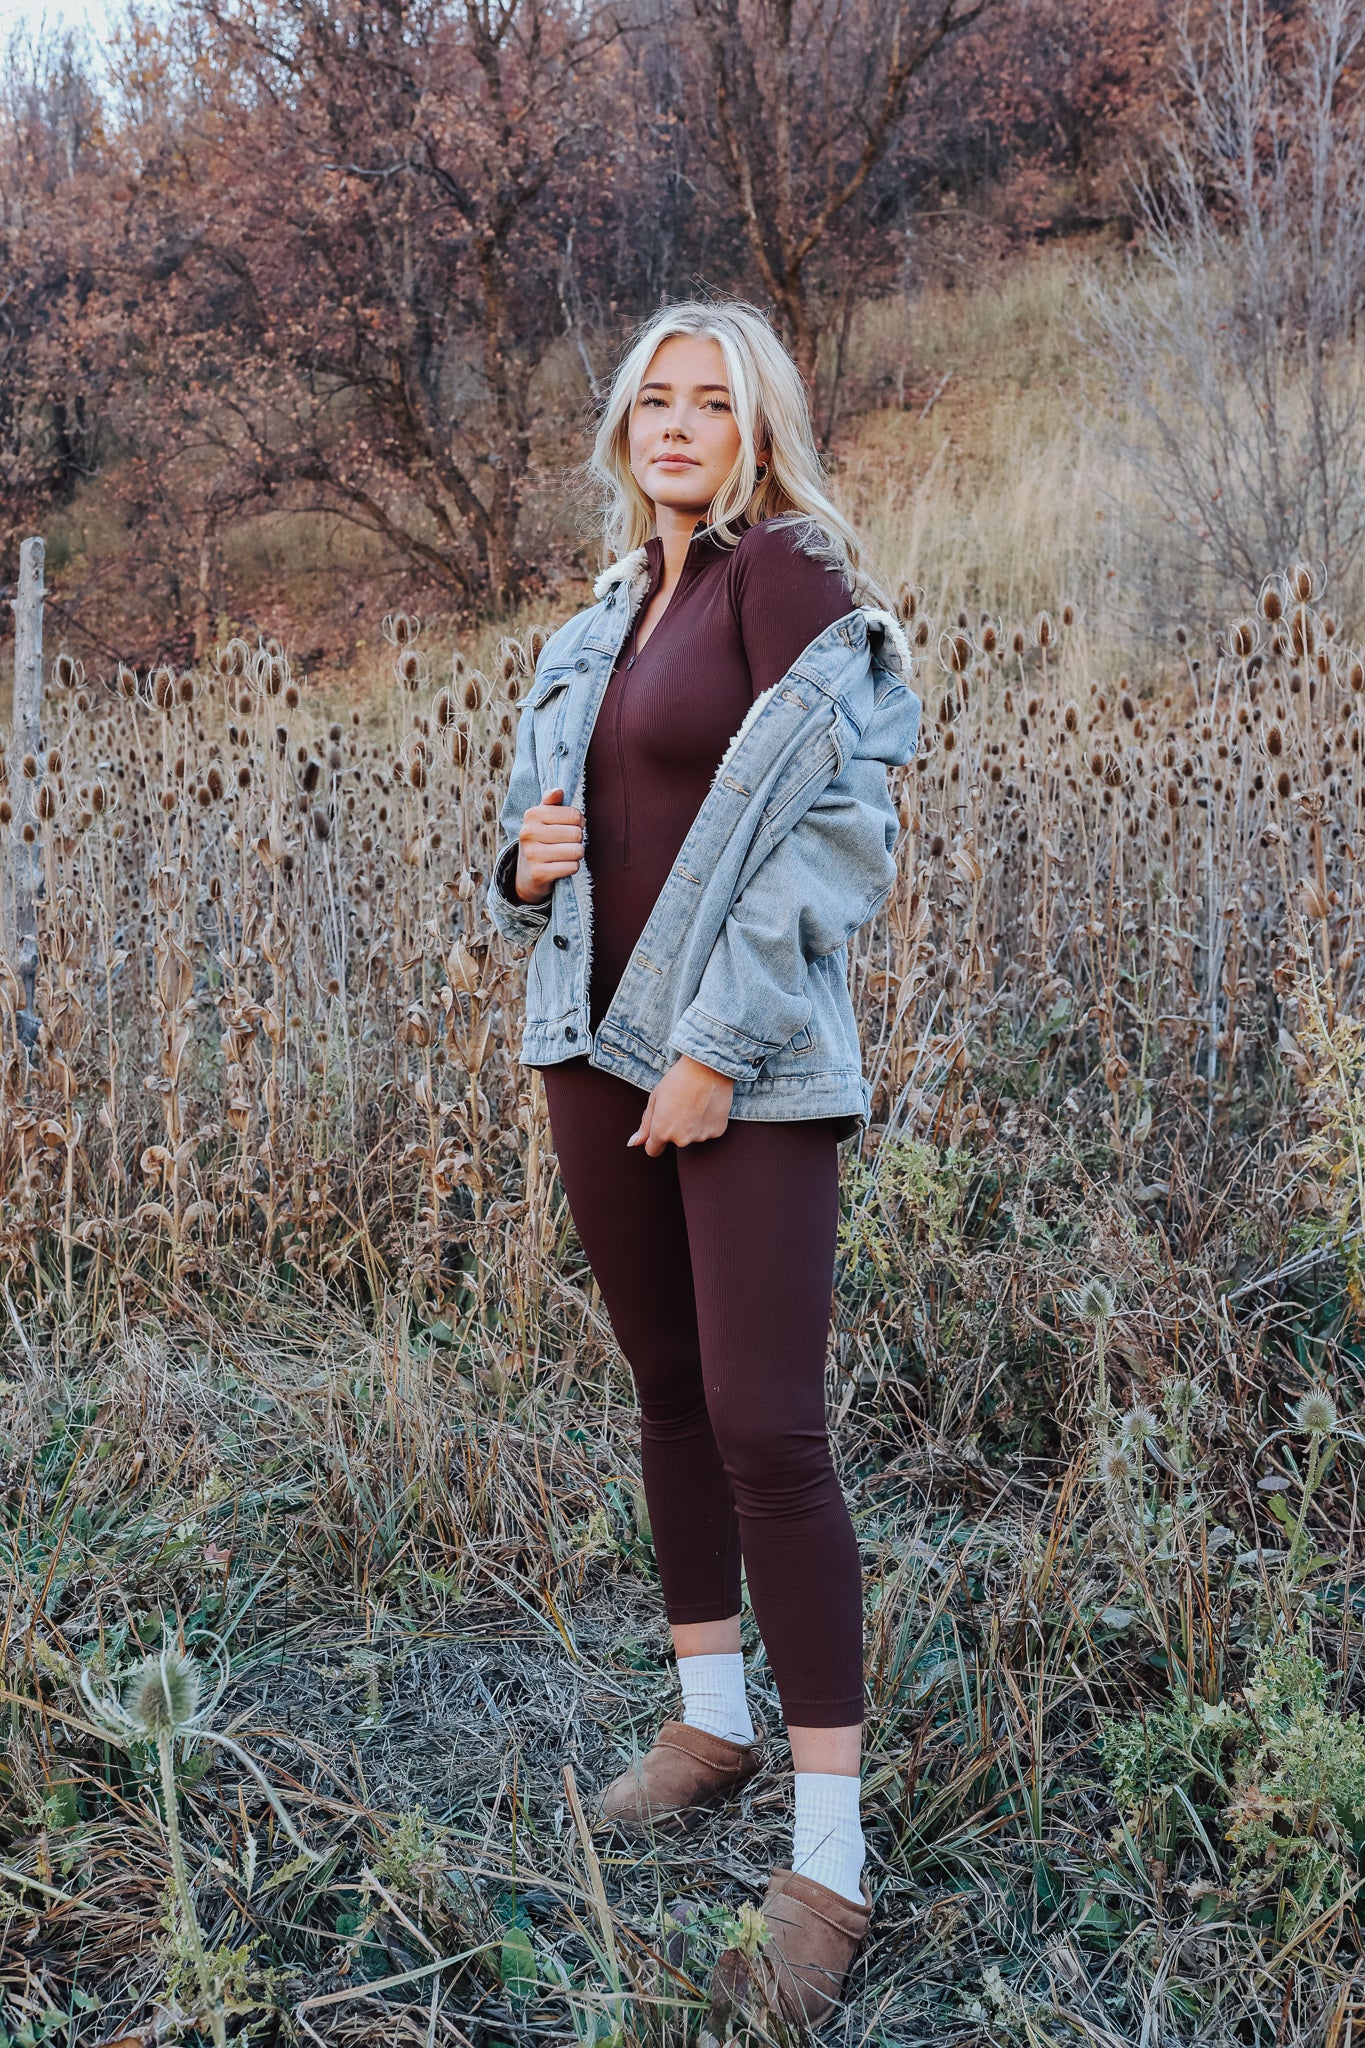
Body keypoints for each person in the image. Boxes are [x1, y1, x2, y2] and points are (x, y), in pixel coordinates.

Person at [485, 299, 921, 2031]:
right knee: (665, 1388)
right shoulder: (607, 612)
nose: (676, 424)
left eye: (709, 402)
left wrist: (710, 1053)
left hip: (746, 1060)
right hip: (583, 1043)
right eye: (653, 400)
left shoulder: (785, 579)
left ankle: (830, 1857)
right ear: (622, 426)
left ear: (759, 427)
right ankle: (708, 1723)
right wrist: (513, 867)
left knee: (766, 1426)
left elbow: (840, 831)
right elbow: (541, 826)